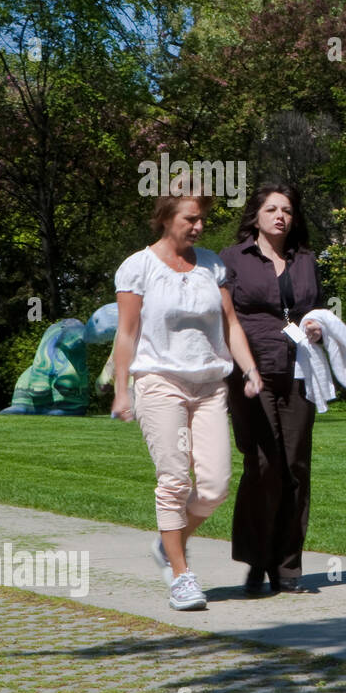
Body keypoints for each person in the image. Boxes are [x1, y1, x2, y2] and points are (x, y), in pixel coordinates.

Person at [111, 178, 264, 610]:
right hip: (159, 382)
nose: (198, 226)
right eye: (190, 218)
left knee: (214, 486)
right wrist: (122, 391)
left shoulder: (212, 266)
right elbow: (126, 333)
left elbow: (231, 324)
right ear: (165, 217)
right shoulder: (138, 267)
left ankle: (168, 543)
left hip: (210, 386)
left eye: (202, 219)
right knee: (175, 480)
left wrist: (249, 369)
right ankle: (181, 576)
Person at [220, 183, 326, 595]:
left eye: (286, 210)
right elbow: (224, 316)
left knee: (296, 466)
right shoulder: (232, 260)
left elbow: (312, 310)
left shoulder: (306, 260)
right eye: (271, 209)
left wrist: (316, 326)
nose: (280, 216)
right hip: (252, 372)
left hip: (300, 371)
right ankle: (255, 561)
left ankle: (288, 568)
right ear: (256, 216)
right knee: (263, 465)